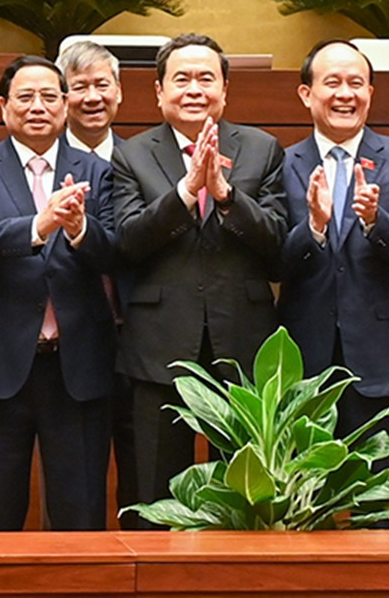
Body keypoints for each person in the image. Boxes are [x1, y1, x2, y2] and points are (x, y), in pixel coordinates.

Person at [0, 56, 115, 530]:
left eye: (50, 97)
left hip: (76, 364)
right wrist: (41, 225)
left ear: (66, 104)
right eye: (25, 96)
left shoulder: (97, 171)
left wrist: (80, 230)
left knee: (81, 514)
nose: (38, 106)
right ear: (3, 105)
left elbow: (119, 250)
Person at [112, 32, 287, 509]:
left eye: (206, 78)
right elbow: (126, 242)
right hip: (159, 345)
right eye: (182, 78)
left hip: (243, 345)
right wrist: (187, 193)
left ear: (225, 89)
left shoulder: (261, 148)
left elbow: (278, 244)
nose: (194, 89)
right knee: (153, 487)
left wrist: (227, 196)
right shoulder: (131, 154)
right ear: (159, 91)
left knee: (247, 495)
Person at [278, 40, 389, 478]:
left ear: (370, 92)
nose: (345, 94)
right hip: (304, 359)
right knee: (304, 500)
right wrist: (313, 226)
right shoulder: (283, 162)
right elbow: (272, 262)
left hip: (380, 359)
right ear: (306, 94)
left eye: (356, 83)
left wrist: (375, 221)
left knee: (377, 495)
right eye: (332, 83)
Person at [56, 37, 137, 515]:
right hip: (66, 348)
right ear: (62, 94)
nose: (92, 97)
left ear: (120, 92)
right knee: (73, 493)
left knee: (142, 483)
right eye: (78, 86)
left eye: (101, 85)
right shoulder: (43, 160)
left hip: (135, 341)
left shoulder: (146, 158)